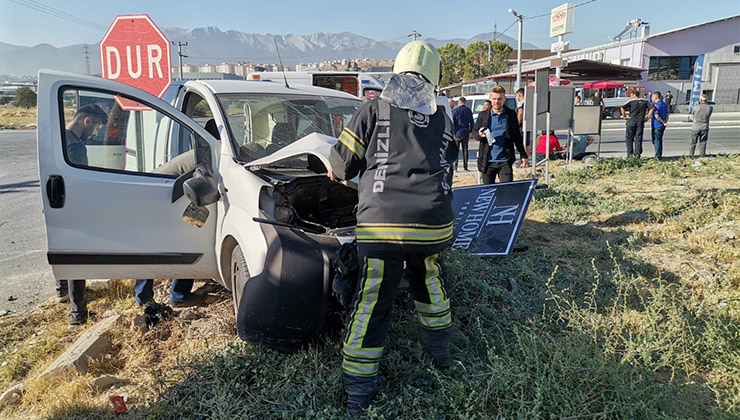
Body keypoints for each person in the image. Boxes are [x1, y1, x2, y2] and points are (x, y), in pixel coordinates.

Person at [327, 40, 457, 415]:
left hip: (383, 228)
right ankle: (442, 363)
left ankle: (358, 393)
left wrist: (339, 169)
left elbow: (341, 167)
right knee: (430, 286)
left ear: (395, 73)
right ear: (435, 78)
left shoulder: (372, 109)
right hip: (433, 226)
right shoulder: (443, 118)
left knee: (371, 302)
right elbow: (442, 163)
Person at [56, 105, 109, 327]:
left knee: (61, 249)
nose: (96, 134)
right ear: (86, 121)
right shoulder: (77, 148)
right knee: (77, 258)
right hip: (74, 208)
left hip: (56, 203)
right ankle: (78, 315)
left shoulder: (59, 137)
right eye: (96, 128)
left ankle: (61, 292)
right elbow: (82, 183)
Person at [473, 86, 528, 184]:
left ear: (504, 99)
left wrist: (523, 154)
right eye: (494, 99)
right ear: (490, 99)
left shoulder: (510, 115)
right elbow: (474, 132)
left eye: (499, 99)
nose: (496, 101)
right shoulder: (484, 115)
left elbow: (517, 137)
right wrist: (479, 134)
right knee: (488, 192)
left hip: (505, 160)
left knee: (506, 191)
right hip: (488, 161)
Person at [620, 90, 651, 158]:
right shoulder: (645, 101)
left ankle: (630, 154)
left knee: (629, 138)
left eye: (631, 95)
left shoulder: (631, 101)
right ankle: (637, 154)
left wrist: (624, 116)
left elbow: (622, 107)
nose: (630, 97)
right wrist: (647, 117)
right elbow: (652, 109)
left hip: (631, 121)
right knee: (638, 138)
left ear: (634, 95)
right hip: (640, 122)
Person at [452, 97, 474, 171]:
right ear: (465, 102)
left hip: (457, 132)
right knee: (465, 150)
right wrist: (471, 131)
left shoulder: (455, 111)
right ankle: (465, 167)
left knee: (456, 150)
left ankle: (455, 167)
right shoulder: (468, 111)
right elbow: (472, 122)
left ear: (459, 102)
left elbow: (452, 122)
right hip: (466, 132)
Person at [646, 91, 669, 160]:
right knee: (659, 140)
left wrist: (662, 121)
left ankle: (657, 156)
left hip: (657, 125)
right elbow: (667, 114)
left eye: (652, 97)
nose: (652, 98)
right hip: (662, 125)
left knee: (656, 140)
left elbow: (656, 115)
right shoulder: (664, 104)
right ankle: (659, 154)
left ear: (656, 97)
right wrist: (665, 122)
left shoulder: (656, 105)